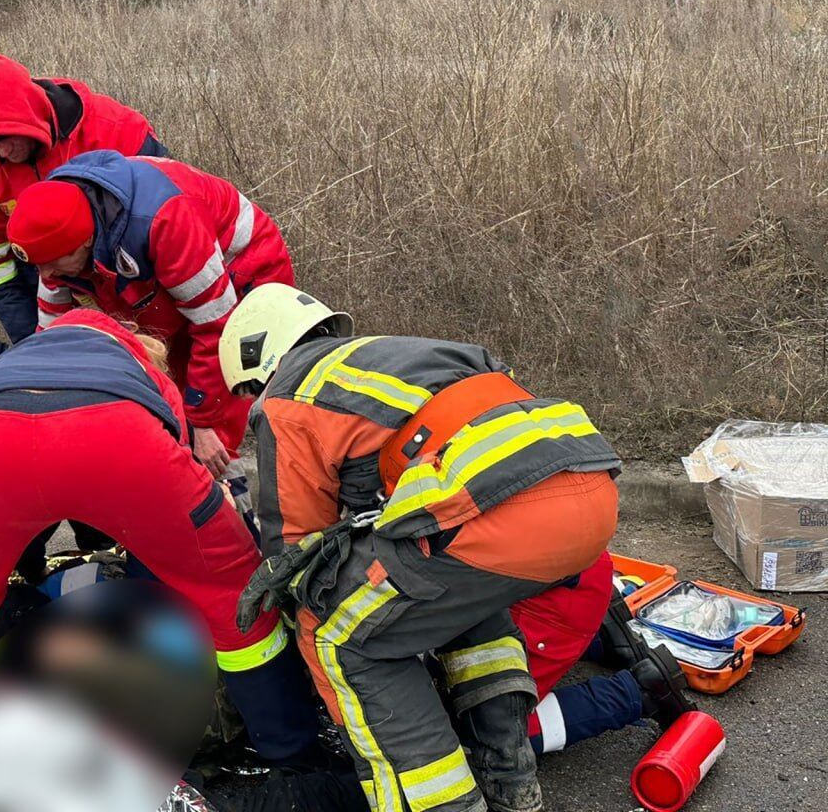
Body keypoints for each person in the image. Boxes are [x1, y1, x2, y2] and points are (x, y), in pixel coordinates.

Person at [220, 284, 622, 812]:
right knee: (446, 599)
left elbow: (298, 547)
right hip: (589, 495)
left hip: (500, 510)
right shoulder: (408, 356)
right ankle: (510, 783)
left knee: (336, 630)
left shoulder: (289, 396)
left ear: (259, 364)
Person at [0, 309, 326, 771]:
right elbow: (168, 495)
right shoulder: (138, 362)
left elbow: (23, 512)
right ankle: (291, 754)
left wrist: (20, 567)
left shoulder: (19, 356)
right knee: (230, 589)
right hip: (114, 433)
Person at [6, 150, 294, 481]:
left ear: (84, 242)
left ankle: (234, 500)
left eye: (52, 262)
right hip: (168, 282)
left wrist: (204, 422)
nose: (45, 273)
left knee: (219, 411)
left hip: (242, 272)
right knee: (167, 390)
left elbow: (218, 327)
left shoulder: (164, 220)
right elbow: (52, 341)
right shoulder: (56, 241)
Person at [0, 54, 168, 342]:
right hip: (42, 278)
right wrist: (32, 339)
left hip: (131, 272)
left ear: (27, 116)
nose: (2, 152)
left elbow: (165, 223)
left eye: (6, 138)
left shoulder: (116, 130)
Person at [513, 555, 694, 756]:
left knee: (491, 727)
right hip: (576, 570)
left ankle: (637, 692)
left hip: (547, 599)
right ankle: (600, 637)